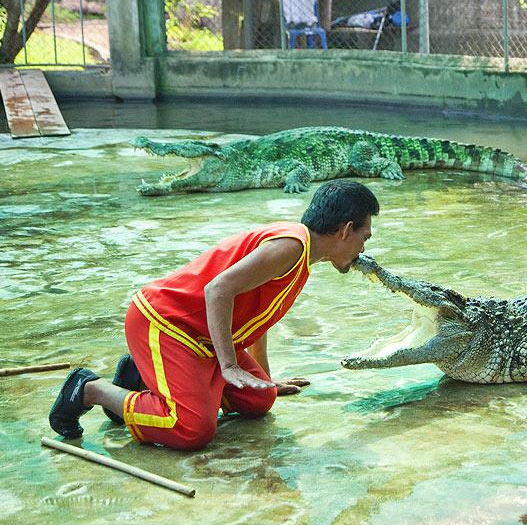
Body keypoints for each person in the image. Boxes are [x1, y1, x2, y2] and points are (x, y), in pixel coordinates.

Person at [49, 179, 379, 451]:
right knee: (191, 430)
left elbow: (257, 316)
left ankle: (139, 375)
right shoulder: (292, 245)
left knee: (259, 399)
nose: (363, 247)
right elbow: (217, 290)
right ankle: (91, 389)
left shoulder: (302, 256)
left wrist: (264, 379)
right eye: (365, 236)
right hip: (166, 323)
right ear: (346, 230)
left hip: (202, 336)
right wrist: (230, 365)